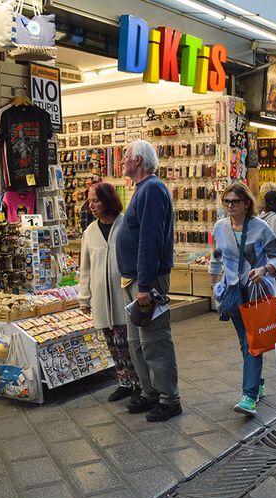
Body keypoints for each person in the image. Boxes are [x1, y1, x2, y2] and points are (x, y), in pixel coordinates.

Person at [116, 140, 181, 422]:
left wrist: (144, 286)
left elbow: (150, 241)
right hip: (135, 279)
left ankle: (169, 398)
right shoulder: (143, 190)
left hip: (147, 280)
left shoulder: (152, 189)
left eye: (126, 156)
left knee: (154, 339)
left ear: (139, 160)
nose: (122, 161)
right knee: (137, 340)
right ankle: (150, 391)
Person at [209, 182, 276, 416]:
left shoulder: (260, 228)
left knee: (251, 344)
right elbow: (216, 257)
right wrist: (214, 285)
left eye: (235, 201)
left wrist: (265, 269)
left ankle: (249, 395)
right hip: (232, 292)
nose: (230, 205)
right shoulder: (220, 228)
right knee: (247, 342)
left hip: (256, 292)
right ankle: (256, 385)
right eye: (226, 201)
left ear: (246, 203)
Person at [79, 182, 139, 403]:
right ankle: (124, 382)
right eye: (90, 201)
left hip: (124, 294)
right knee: (112, 344)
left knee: (129, 343)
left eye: (96, 200)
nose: (91, 205)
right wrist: (84, 297)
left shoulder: (126, 225)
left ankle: (140, 383)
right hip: (102, 299)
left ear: (108, 200)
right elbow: (85, 268)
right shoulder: (90, 232)